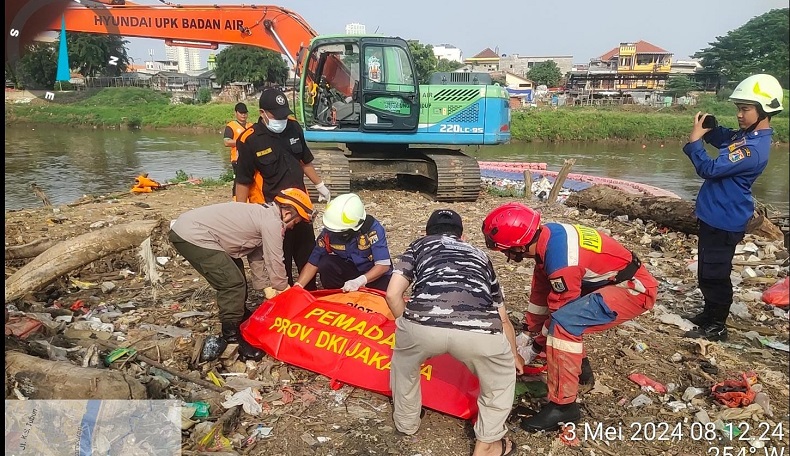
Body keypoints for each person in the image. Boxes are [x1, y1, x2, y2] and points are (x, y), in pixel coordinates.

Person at [482, 202, 657, 432]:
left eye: (505, 250)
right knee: (563, 319)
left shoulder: (562, 262)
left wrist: (533, 348)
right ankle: (580, 368)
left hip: (633, 289)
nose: (506, 255)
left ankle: (564, 407)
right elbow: (541, 292)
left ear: (518, 247)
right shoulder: (547, 239)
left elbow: (559, 313)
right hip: (608, 281)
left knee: (564, 326)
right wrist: (528, 330)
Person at [386, 209, 521, 456]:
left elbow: (392, 294)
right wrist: (513, 355)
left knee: (404, 365)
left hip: (422, 323)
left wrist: (408, 326)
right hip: (480, 330)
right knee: (500, 382)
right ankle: (488, 444)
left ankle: (407, 423)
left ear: (427, 233)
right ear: (463, 236)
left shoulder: (418, 246)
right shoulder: (479, 255)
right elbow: (503, 317)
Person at [681, 74, 784, 342]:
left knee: (716, 273)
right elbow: (726, 137)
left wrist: (695, 143)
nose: (739, 114)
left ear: (764, 111)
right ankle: (708, 313)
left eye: (745, 109)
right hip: (714, 214)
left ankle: (717, 324)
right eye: (738, 108)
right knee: (706, 269)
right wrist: (711, 129)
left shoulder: (753, 149)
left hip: (725, 219)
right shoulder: (745, 136)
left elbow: (709, 168)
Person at [168, 188, 315, 360]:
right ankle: (231, 337)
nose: (292, 227)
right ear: (288, 214)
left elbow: (257, 257)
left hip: (196, 230)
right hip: (192, 234)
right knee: (232, 283)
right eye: (295, 222)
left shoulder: (264, 214)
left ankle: (240, 314)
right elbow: (275, 259)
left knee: (236, 272)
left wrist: (266, 287)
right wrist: (284, 289)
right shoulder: (273, 222)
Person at [235, 88, 332, 290]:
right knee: (280, 262)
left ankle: (309, 298)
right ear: (262, 113)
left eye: (284, 115)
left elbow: (305, 160)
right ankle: (285, 304)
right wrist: (240, 214)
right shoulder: (250, 139)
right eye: (276, 116)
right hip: (273, 212)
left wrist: (320, 185)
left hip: (301, 208)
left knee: (308, 257)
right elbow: (243, 181)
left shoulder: (294, 128)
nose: (282, 120)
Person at [294, 193, 392, 292]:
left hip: (373, 275)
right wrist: (297, 287)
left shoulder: (372, 230)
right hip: (350, 271)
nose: (335, 233)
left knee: (382, 298)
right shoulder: (330, 231)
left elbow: (383, 265)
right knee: (326, 263)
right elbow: (313, 262)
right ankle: (336, 297)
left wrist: (359, 281)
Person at [223, 102, 263, 203]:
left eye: (245, 113)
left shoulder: (251, 126)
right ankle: (237, 199)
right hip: (237, 159)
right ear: (236, 113)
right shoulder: (231, 126)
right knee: (239, 180)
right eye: (241, 113)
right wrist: (242, 142)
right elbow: (226, 142)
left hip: (251, 159)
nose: (243, 115)